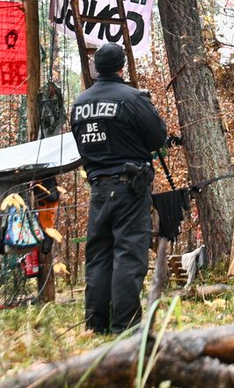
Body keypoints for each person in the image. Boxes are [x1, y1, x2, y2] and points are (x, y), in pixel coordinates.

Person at [70, 42, 167, 334]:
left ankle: (95, 324)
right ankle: (125, 326)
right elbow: (157, 138)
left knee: (99, 254)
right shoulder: (133, 99)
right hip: (130, 189)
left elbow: (81, 146)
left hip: (99, 188)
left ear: (96, 68)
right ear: (122, 66)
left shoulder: (79, 104)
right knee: (129, 253)